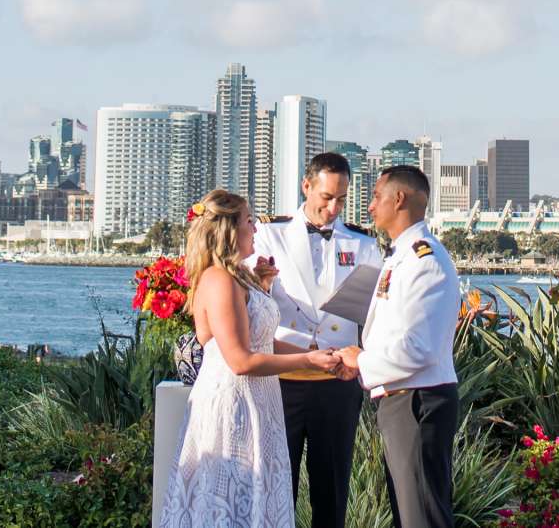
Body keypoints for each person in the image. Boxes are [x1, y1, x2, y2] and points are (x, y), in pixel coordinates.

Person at [160, 188, 347, 528]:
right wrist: (308, 362)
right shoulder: (218, 280)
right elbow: (241, 360)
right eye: (249, 221)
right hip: (235, 406)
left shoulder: (238, 278)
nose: (256, 229)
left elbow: (260, 341)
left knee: (252, 502)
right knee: (230, 503)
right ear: (229, 229)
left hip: (258, 401)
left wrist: (317, 353)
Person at [252, 150, 383, 528]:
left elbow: (371, 315)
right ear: (306, 186)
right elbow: (249, 301)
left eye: (342, 198)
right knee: (279, 486)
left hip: (337, 380)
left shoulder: (364, 244)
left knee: (332, 488)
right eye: (327, 197)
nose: (334, 207)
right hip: (283, 378)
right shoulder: (268, 235)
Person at [337, 164, 462, 528]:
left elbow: (417, 347)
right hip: (402, 397)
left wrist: (362, 361)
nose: (371, 206)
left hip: (418, 400)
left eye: (377, 197)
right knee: (411, 513)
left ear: (400, 198)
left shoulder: (426, 262)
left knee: (421, 515)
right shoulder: (402, 256)